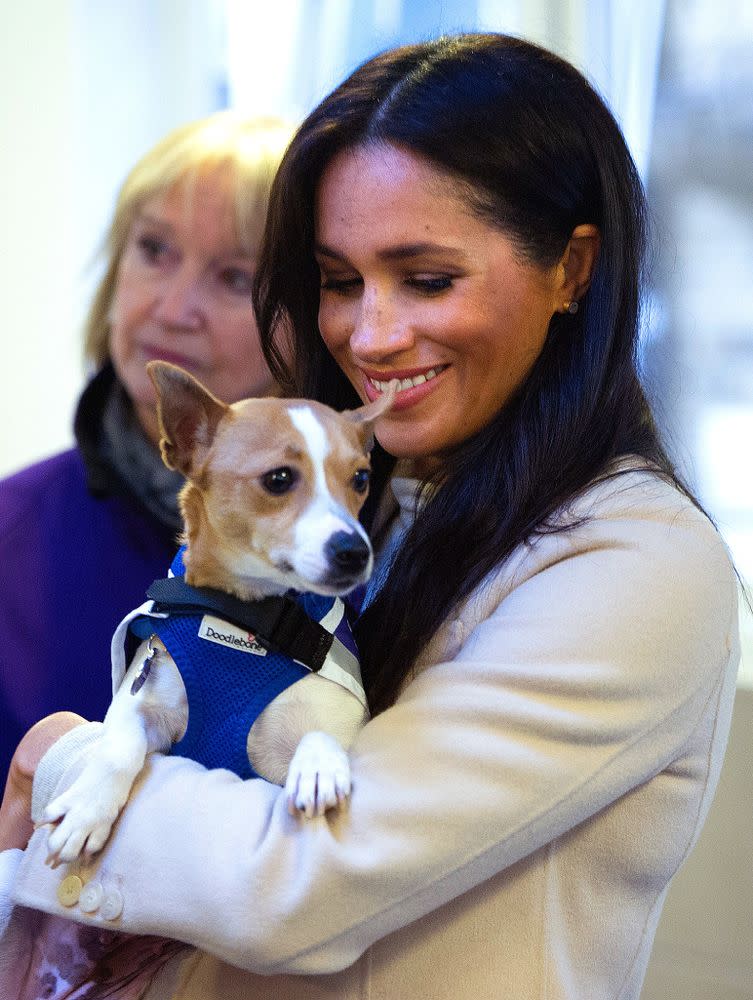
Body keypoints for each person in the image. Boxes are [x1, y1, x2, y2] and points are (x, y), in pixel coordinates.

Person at [0, 33, 740, 1000]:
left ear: (571, 270)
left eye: (427, 280)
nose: (370, 335)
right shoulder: (377, 504)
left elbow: (300, 880)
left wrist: (62, 764)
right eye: (340, 282)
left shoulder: (635, 562)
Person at [0, 113, 292, 780]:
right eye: (154, 250)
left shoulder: (371, 544)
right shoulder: (10, 535)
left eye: (233, 277)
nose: (170, 308)